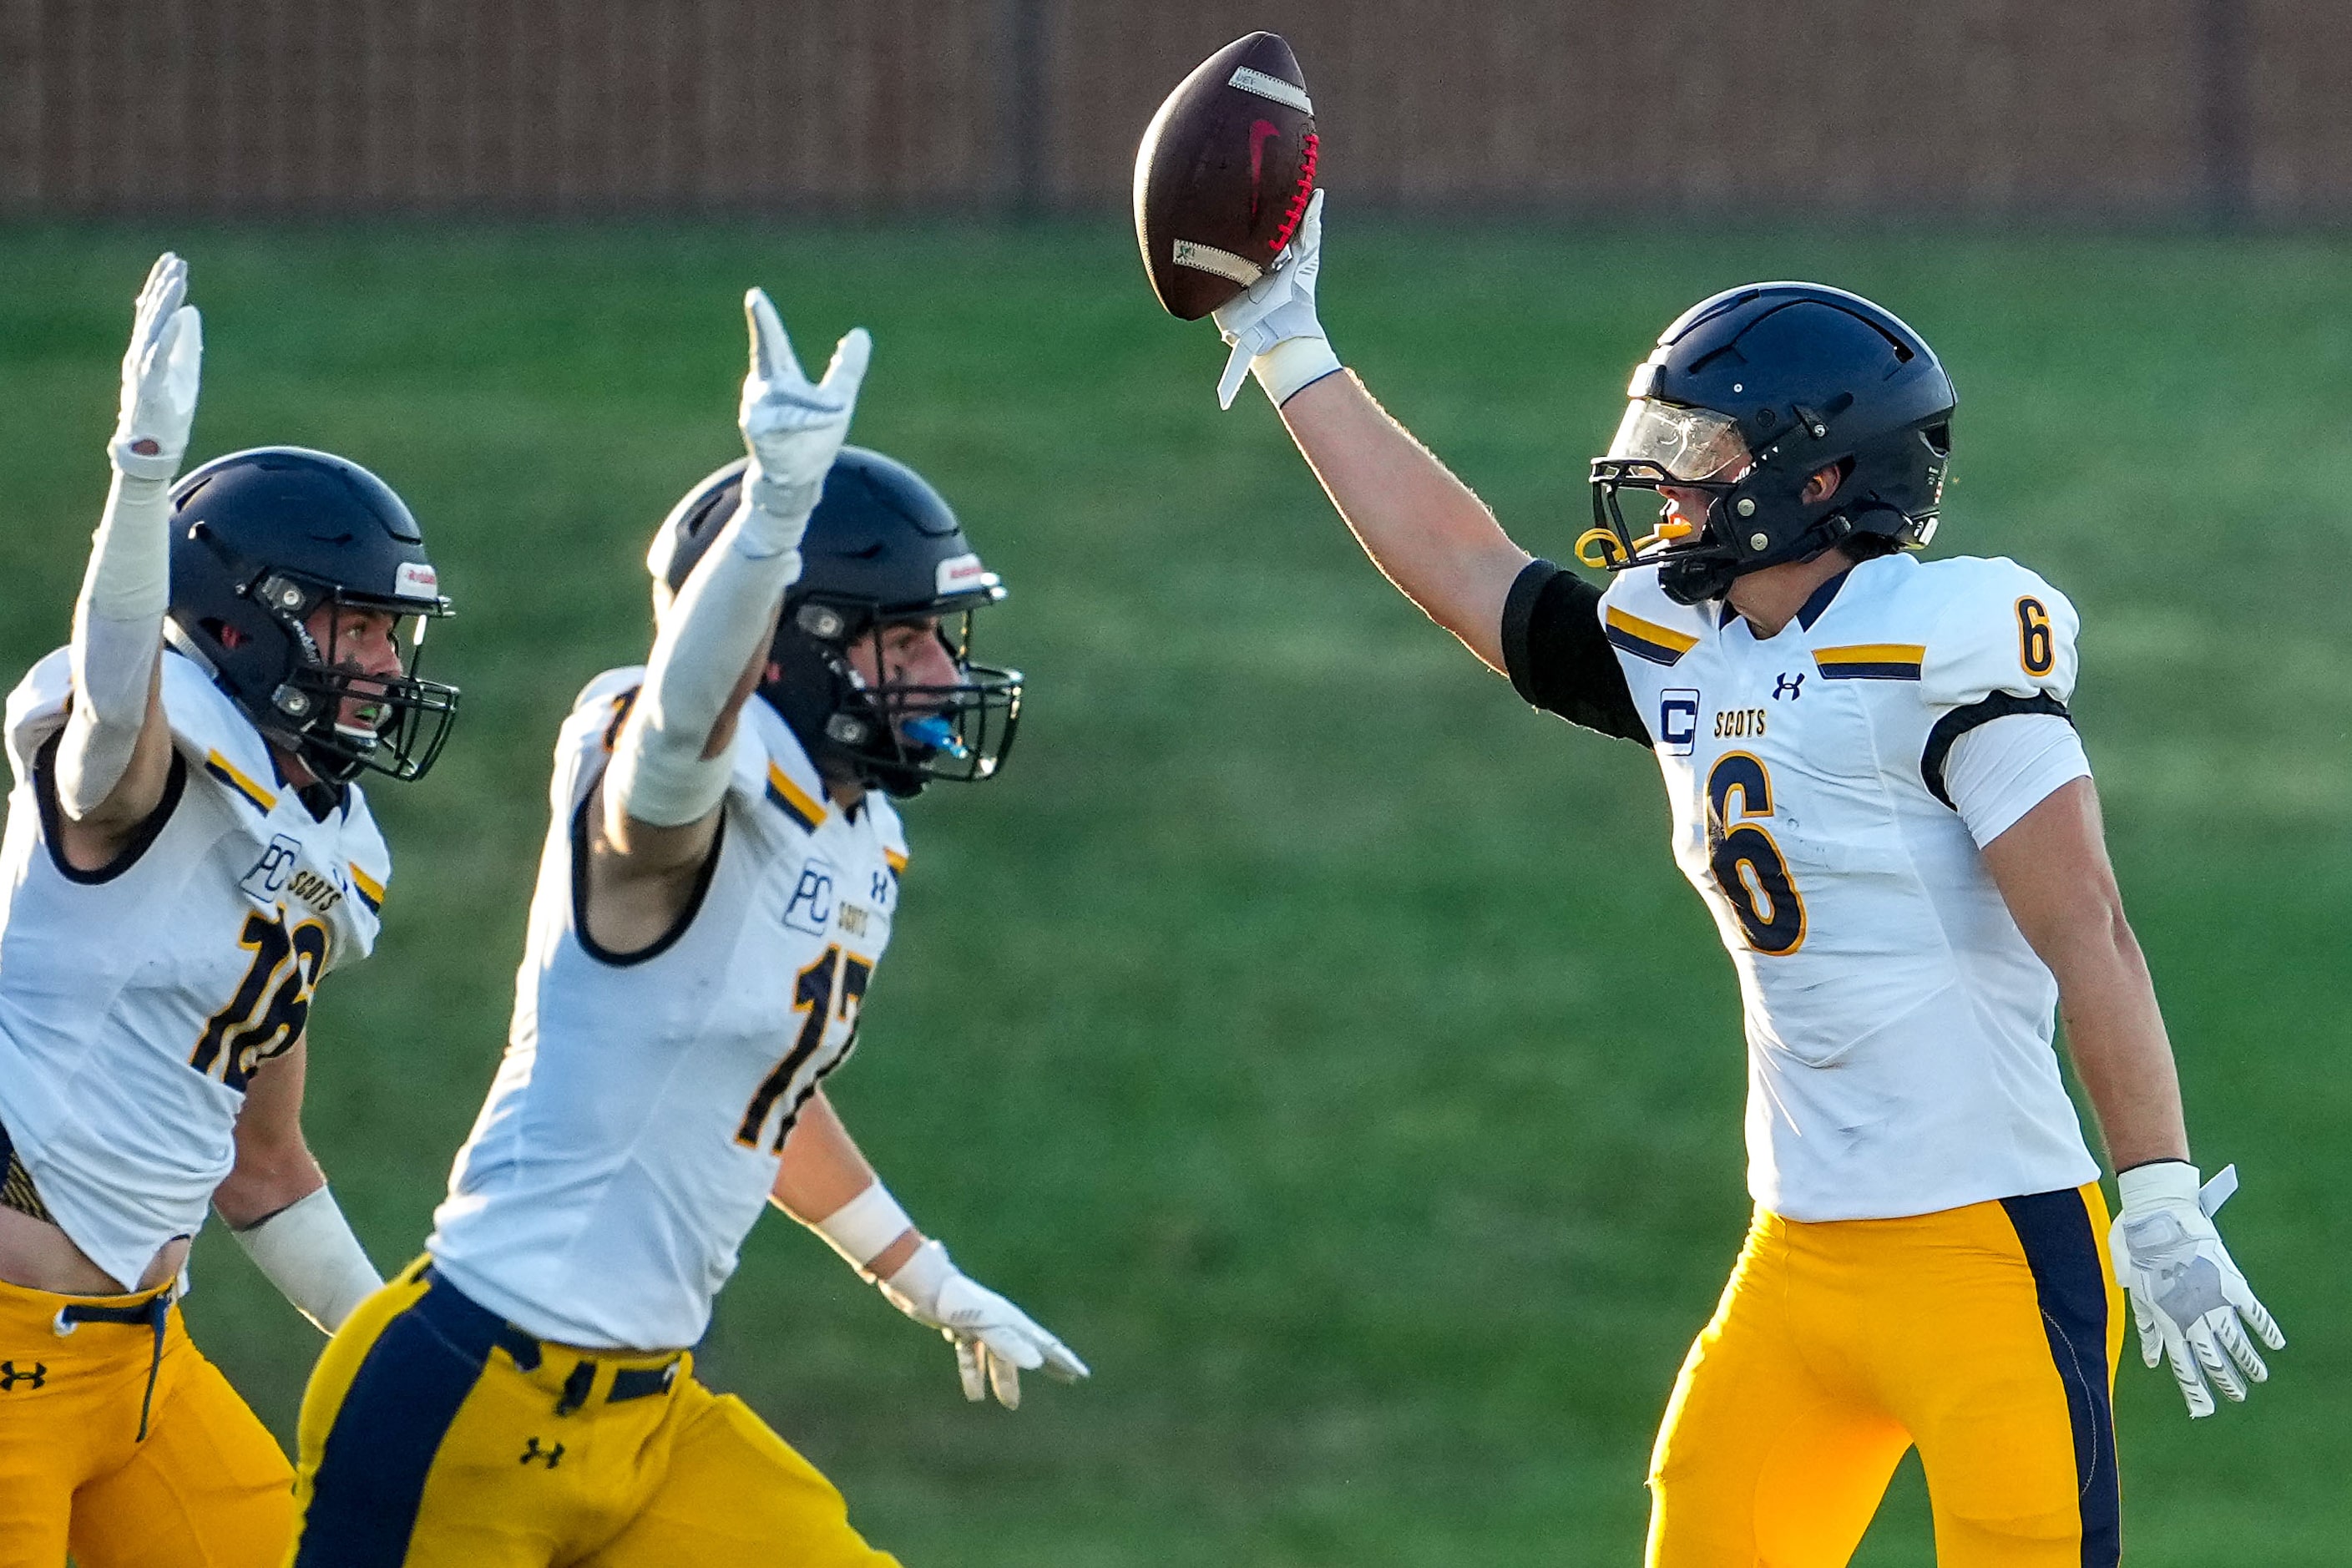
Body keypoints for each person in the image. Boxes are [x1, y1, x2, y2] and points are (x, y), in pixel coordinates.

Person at [1198, 195, 2284, 1566]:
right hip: (1800, 1253)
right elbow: (1464, 568)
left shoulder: (1940, 641)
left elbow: (2093, 937)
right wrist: (1292, 345)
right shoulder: (1681, 639)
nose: (1664, 485)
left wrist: (2162, 1196)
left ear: (1817, 476)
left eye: (1698, 453)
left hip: (1987, 1252)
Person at [284, 290, 1085, 1566]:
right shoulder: (663, 783)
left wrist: (919, 1272)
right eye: (905, 640)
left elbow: (753, 1088)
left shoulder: (854, 829)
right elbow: (669, 760)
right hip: (470, 1396)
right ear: (790, 647)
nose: (942, 674)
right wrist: (768, 530)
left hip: (651, 1418)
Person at [0, 254, 462, 1566]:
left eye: (390, 635)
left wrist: (394, 1347)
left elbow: (265, 1167)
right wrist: (139, 481)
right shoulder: (145, 757)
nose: (381, 665)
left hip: (142, 1364)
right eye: (354, 627)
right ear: (243, 621)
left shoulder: (313, 840)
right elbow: (104, 721)